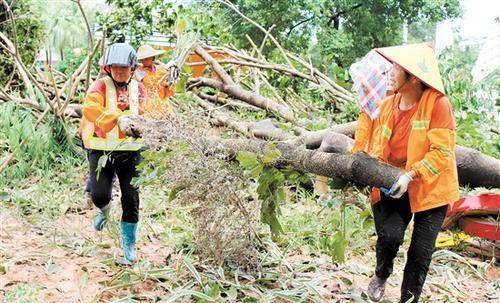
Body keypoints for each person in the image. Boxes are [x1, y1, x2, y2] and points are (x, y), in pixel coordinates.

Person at [365, 43, 459, 303]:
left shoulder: (438, 104)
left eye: (397, 67)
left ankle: (409, 299)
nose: (390, 72)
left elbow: (441, 153)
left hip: (431, 187)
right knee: (390, 237)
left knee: (420, 253)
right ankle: (381, 275)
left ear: (414, 77)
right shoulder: (387, 105)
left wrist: (410, 175)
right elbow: (376, 147)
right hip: (394, 183)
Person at [82, 43, 147, 264]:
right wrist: (116, 119)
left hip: (131, 153)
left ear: (132, 67)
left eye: (124, 68)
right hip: (102, 149)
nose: (119, 71)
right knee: (99, 193)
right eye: (115, 67)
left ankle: (129, 245)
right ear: (108, 68)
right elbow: (89, 109)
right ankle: (104, 209)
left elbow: (150, 112)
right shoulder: (99, 86)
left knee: (131, 198)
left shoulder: (139, 89)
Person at [135, 44, 175, 117]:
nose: (144, 61)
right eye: (142, 59)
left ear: (152, 58)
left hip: (163, 104)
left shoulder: (161, 69)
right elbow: (149, 85)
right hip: (148, 105)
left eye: (147, 58)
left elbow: (169, 92)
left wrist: (169, 84)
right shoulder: (139, 72)